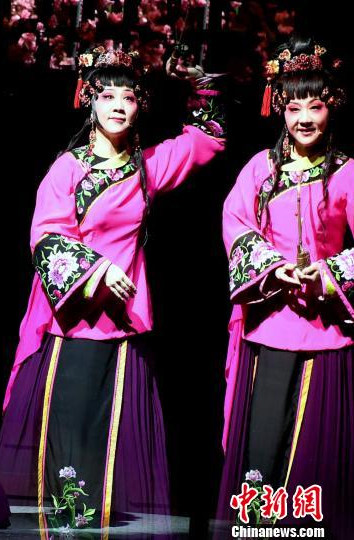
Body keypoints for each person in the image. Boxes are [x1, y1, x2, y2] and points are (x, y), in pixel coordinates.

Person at [0, 45, 225, 534]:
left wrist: (195, 85)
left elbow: (209, 140)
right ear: (89, 101)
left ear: (140, 106)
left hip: (121, 318)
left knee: (108, 425)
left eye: (128, 98)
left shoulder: (148, 166)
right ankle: (64, 515)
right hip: (72, 315)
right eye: (107, 96)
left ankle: (94, 519)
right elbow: (45, 235)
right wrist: (95, 270)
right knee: (67, 420)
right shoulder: (68, 168)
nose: (118, 106)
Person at [218, 36, 353, 538]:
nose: (304, 119)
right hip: (271, 322)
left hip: (325, 328)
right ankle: (258, 526)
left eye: (314, 107)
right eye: (294, 108)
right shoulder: (261, 168)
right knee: (264, 440)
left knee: (313, 445)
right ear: (280, 109)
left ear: (331, 107)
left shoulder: (347, 172)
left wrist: (331, 272)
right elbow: (236, 224)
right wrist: (271, 267)